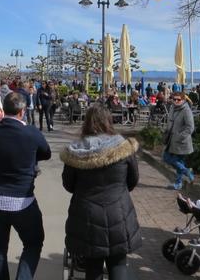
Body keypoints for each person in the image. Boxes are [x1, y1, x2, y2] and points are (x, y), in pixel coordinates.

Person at [61, 104, 141, 280]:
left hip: (86, 214)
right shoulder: (123, 147)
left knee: (93, 265)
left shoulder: (76, 151)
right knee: (118, 263)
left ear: (86, 122)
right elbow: (133, 180)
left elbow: (68, 184)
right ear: (108, 121)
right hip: (118, 213)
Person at [0, 92, 52, 279]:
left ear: (4, 110)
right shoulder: (31, 133)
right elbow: (46, 153)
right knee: (34, 242)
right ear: (22, 111)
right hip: (22, 201)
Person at [162, 91, 195, 190]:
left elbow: (190, 127)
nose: (176, 101)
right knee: (167, 158)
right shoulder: (173, 108)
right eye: (174, 99)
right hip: (171, 140)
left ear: (183, 100)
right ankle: (186, 173)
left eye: (178, 99)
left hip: (181, 142)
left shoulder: (186, 110)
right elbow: (170, 122)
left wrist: (180, 137)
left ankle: (180, 181)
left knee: (173, 159)